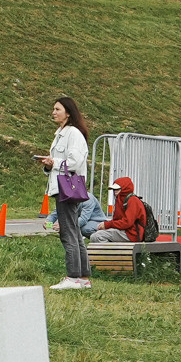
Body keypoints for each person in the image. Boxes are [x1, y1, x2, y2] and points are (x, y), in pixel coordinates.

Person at [39, 96, 93, 289]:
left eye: (57, 109)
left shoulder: (73, 134)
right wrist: (49, 165)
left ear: (68, 113)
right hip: (61, 187)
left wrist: (54, 162)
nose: (53, 112)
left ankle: (73, 277)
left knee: (68, 233)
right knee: (75, 233)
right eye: (53, 109)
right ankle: (83, 278)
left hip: (67, 189)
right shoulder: (61, 134)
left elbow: (74, 162)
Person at [88, 177, 153, 244]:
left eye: (117, 189)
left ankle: (112, 251)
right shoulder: (120, 200)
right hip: (124, 231)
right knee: (96, 233)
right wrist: (107, 225)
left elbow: (127, 223)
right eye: (114, 189)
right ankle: (113, 250)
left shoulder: (133, 200)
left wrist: (107, 225)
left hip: (132, 234)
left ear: (125, 189)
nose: (115, 191)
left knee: (97, 236)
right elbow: (117, 220)